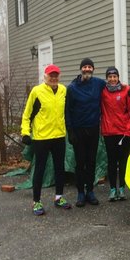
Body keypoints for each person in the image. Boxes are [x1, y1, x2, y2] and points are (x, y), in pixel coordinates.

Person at [21, 64, 71, 216]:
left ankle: (59, 197)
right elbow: (27, 113)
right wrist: (25, 133)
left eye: (56, 75)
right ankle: (36, 201)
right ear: (46, 76)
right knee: (40, 169)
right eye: (51, 75)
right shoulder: (37, 91)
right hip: (41, 138)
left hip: (59, 136)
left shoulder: (63, 90)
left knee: (59, 168)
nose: (54, 78)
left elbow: (67, 111)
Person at [65, 58, 105, 207]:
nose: (87, 69)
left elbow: (114, 85)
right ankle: (80, 192)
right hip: (78, 131)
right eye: (85, 67)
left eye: (90, 67)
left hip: (93, 129)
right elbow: (67, 110)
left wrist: (128, 91)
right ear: (81, 69)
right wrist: (70, 131)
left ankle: (90, 191)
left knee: (91, 161)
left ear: (93, 69)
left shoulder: (99, 84)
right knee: (80, 162)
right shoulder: (72, 88)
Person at [101, 66, 130, 201]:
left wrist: (128, 130)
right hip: (109, 131)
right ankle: (112, 189)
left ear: (118, 77)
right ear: (107, 78)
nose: (112, 79)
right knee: (111, 161)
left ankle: (122, 188)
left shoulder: (126, 90)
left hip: (123, 132)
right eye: (110, 77)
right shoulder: (102, 91)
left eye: (114, 76)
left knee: (123, 161)